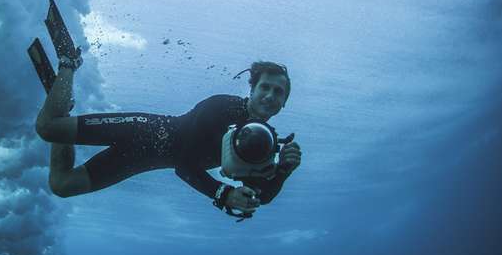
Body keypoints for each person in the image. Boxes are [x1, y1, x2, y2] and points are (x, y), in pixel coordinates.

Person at [35, 52, 302, 219]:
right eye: (265, 87)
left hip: (139, 161)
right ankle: (69, 63)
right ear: (252, 90)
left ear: (285, 102)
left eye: (278, 92)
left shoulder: (263, 142)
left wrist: (283, 171)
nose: (269, 95)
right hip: (142, 129)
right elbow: (184, 165)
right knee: (47, 128)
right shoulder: (221, 107)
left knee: (62, 185)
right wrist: (222, 193)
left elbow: (259, 196)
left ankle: (61, 103)